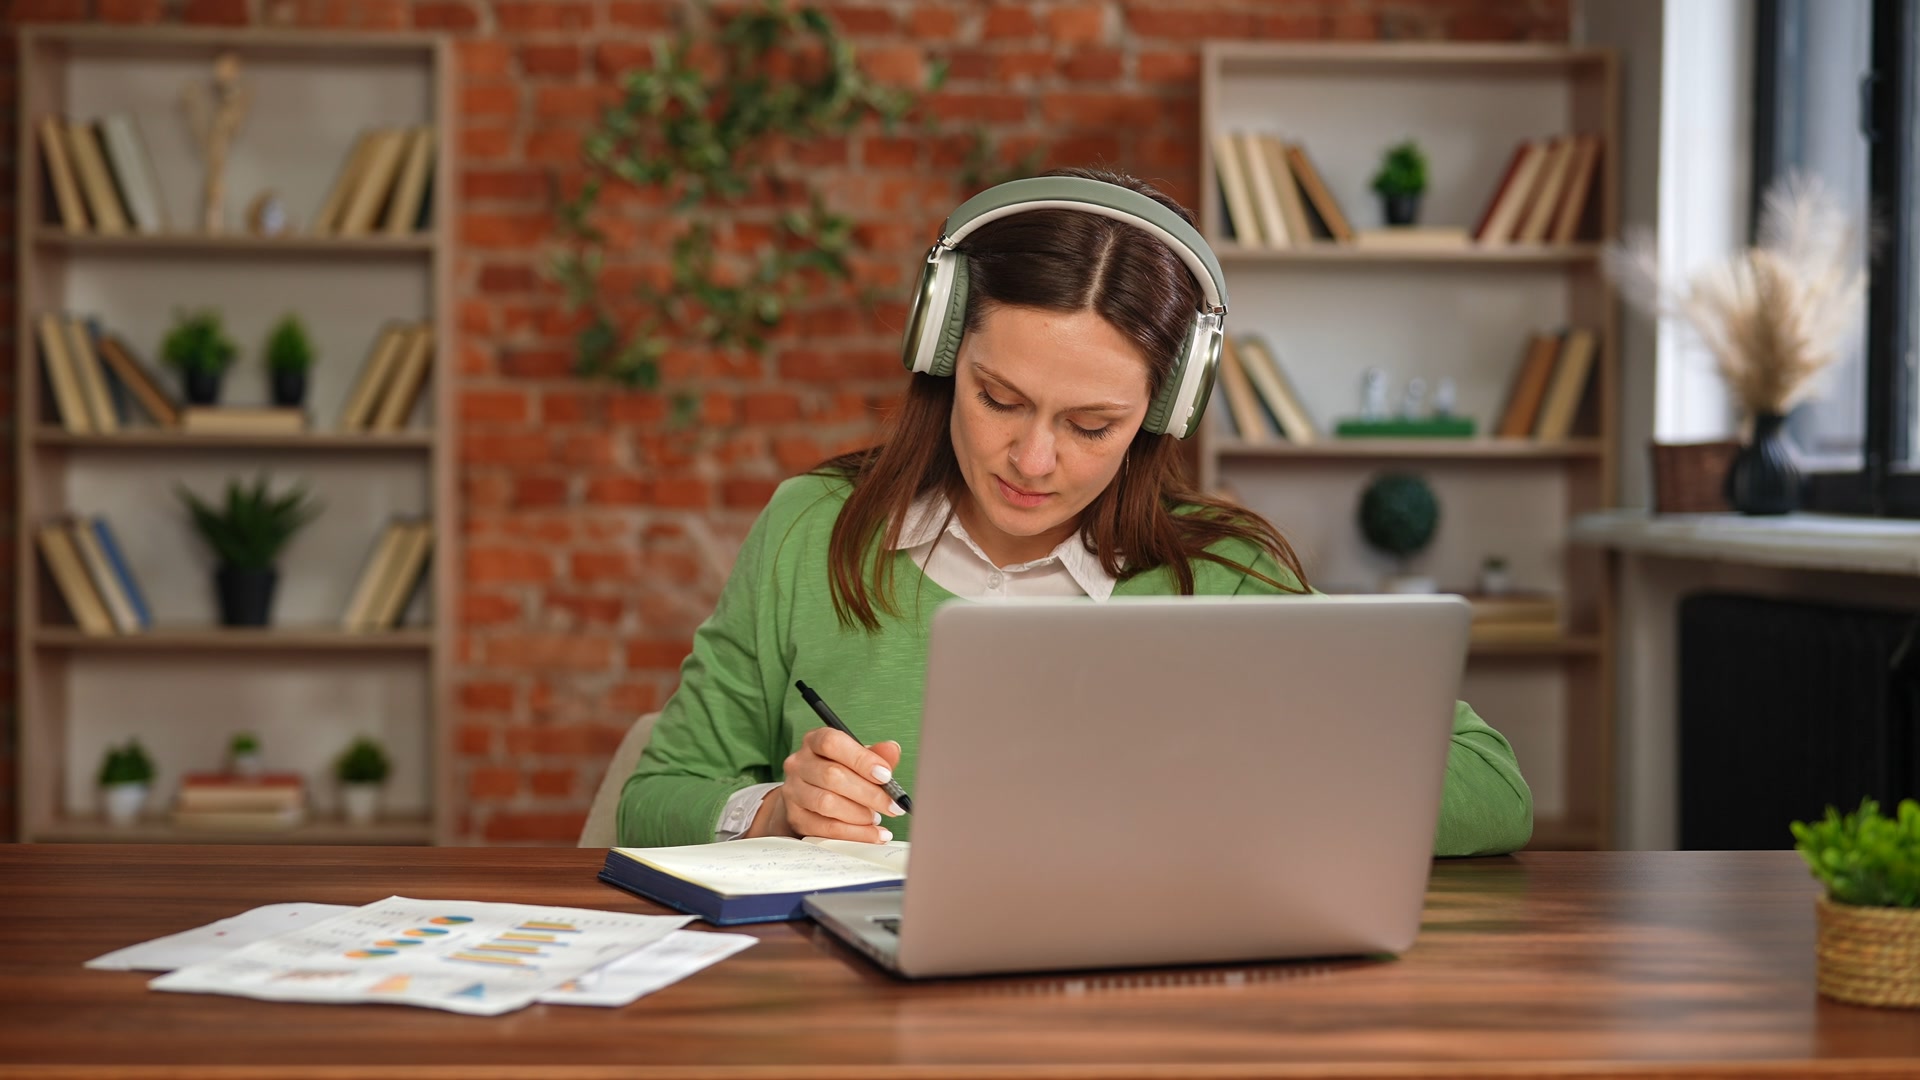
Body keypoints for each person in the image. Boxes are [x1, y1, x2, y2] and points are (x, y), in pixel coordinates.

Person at [618, 167, 1534, 856]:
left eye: (1093, 424)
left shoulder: (1222, 574)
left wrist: (1232, 774)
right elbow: (657, 797)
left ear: (1162, 415)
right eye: (1000, 398)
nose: (1034, 459)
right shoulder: (812, 530)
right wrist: (778, 811)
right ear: (943, 355)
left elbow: (1492, 789)